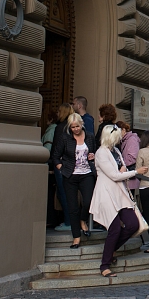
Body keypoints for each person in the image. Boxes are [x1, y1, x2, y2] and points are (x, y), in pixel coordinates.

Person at [90, 124, 148, 278]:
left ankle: (111, 250)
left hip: (119, 193)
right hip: (107, 193)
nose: (119, 140)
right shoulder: (101, 153)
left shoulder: (114, 151)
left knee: (132, 224)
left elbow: (119, 171)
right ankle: (105, 265)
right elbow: (114, 175)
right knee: (115, 228)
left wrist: (123, 171)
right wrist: (135, 172)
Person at [52, 111, 97, 247]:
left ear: (81, 124)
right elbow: (55, 155)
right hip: (70, 175)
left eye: (77, 126)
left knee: (88, 201)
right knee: (72, 207)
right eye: (72, 127)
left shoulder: (89, 136)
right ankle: (76, 237)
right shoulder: (65, 138)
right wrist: (61, 167)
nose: (75, 129)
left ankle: (83, 220)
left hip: (87, 174)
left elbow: (94, 152)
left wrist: (92, 156)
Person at [50, 103, 74, 231]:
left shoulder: (60, 128)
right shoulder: (74, 127)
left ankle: (68, 222)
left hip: (61, 164)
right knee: (71, 193)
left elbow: (55, 148)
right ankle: (72, 221)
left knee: (63, 193)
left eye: (59, 112)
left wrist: (54, 162)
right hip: (72, 164)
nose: (57, 114)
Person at [117, 122, 140, 192]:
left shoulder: (131, 139)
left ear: (123, 130)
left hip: (130, 178)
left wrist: (121, 164)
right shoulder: (124, 140)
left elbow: (133, 157)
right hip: (126, 176)